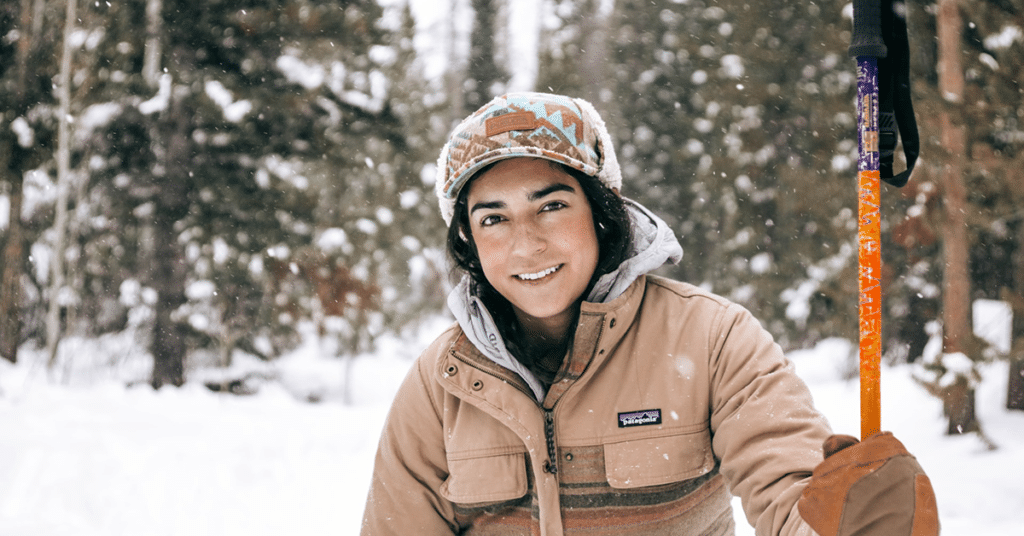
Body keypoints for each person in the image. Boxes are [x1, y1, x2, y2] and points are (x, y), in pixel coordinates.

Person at [361, 92, 938, 535]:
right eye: (493, 218)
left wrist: (848, 520)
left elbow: (790, 492)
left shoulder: (712, 339)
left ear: (603, 213)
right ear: (469, 240)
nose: (525, 245)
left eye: (552, 205)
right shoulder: (444, 379)